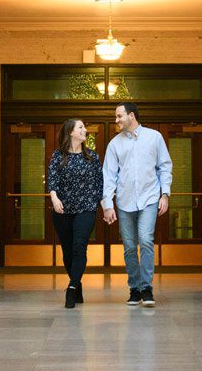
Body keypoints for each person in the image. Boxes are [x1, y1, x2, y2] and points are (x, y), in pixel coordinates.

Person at [101, 102, 171, 307]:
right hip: (125, 202)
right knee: (130, 247)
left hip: (149, 199)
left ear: (131, 116)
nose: (117, 120)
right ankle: (135, 289)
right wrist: (108, 204)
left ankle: (147, 288)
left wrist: (165, 194)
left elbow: (165, 167)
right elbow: (109, 176)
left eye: (119, 116)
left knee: (146, 240)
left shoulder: (154, 137)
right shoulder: (114, 144)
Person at [47, 118, 103, 308]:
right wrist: (54, 199)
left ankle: (71, 288)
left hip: (86, 208)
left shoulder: (92, 157)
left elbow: (99, 183)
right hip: (62, 209)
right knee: (68, 250)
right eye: (81, 127)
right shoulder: (57, 155)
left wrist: (101, 205)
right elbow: (52, 180)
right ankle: (77, 284)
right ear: (71, 132)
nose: (85, 130)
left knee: (80, 246)